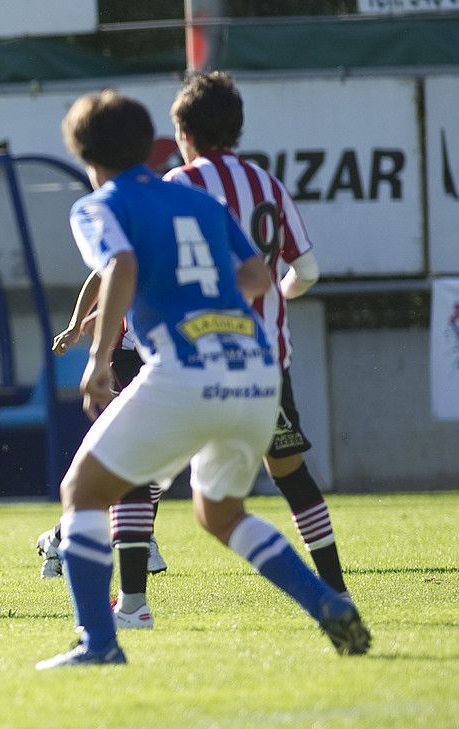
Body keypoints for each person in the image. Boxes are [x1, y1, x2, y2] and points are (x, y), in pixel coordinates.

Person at [38, 90, 367, 668]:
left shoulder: (97, 206)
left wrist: (97, 359)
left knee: (83, 491)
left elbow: (120, 264)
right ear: (148, 146)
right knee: (220, 512)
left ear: (83, 153)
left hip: (185, 372)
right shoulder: (200, 204)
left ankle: (101, 642)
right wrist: (209, 307)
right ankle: (326, 603)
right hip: (255, 368)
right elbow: (259, 275)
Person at [163, 71, 350, 600]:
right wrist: (279, 296)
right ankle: (334, 588)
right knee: (291, 474)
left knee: (146, 468)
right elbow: (307, 269)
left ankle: (130, 599)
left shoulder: (179, 185)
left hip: (196, 361)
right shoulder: (266, 184)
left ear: (185, 132)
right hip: (266, 361)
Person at [35, 270, 168, 631]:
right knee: (136, 456)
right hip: (132, 361)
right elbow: (108, 270)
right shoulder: (146, 227)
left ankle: (62, 538)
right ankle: (129, 569)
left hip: (173, 363)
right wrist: (79, 324)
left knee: (152, 459)